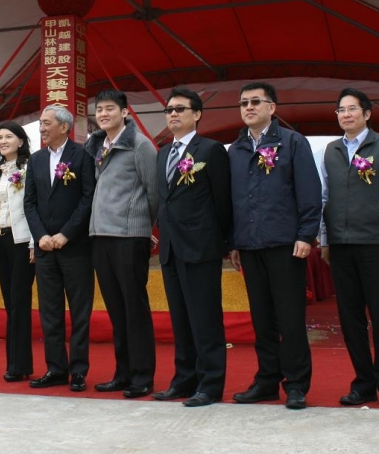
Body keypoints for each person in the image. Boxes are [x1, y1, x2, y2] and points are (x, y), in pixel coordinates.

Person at [228, 82, 321, 410]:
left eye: (256, 101)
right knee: (262, 318)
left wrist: (305, 235)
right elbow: (232, 200)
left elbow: (309, 192)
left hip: (285, 244)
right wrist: (234, 242)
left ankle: (296, 384)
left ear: (272, 107)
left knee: (290, 318)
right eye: (243, 103)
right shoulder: (236, 150)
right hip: (249, 244)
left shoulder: (292, 142)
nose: (249, 107)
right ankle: (267, 380)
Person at [318, 87, 379, 410]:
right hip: (341, 247)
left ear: (367, 114)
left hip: (377, 245)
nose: (346, 115)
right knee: (350, 319)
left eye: (352, 109)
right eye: (340, 110)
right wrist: (325, 240)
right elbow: (324, 198)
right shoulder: (329, 151)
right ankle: (364, 383)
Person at [152, 86, 232, 407]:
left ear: (197, 114)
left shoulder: (211, 150)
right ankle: (184, 379)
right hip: (170, 249)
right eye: (169, 110)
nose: (173, 114)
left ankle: (210, 384)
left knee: (205, 320)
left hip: (201, 248)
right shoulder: (162, 153)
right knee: (181, 320)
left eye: (179, 109)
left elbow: (223, 202)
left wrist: (220, 243)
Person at [85, 89, 159, 398]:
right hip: (100, 236)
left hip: (130, 236)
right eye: (99, 109)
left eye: (110, 109)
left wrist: (143, 228)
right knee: (116, 309)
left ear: (125, 112)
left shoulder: (140, 145)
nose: (103, 114)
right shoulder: (94, 146)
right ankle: (123, 373)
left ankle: (142, 376)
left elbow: (154, 191)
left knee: (134, 308)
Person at [23, 104, 96, 392]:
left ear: (64, 127)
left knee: (79, 312)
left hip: (75, 248)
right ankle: (55, 368)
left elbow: (88, 198)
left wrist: (66, 233)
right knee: (50, 312)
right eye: (40, 123)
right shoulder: (37, 159)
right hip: (45, 249)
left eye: (46, 123)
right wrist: (40, 235)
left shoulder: (82, 156)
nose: (41, 128)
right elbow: (29, 202)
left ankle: (78, 371)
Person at [0, 121, 35, 382]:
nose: (2, 141)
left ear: (21, 141)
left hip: (22, 241)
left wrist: (34, 242)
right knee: (9, 303)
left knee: (19, 302)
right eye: (0, 138)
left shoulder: (29, 168)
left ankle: (19, 365)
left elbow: (34, 207)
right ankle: (15, 363)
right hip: (0, 241)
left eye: (8, 137)